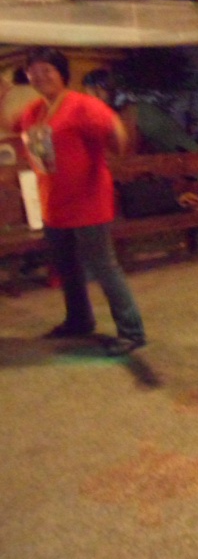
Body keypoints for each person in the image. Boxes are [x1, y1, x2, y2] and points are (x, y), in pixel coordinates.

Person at [14, 48, 147, 356]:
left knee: (104, 268)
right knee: (68, 268)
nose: (40, 76)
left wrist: (117, 148)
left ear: (62, 73)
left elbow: (116, 131)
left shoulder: (82, 105)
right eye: (34, 72)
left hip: (88, 201)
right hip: (53, 202)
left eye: (47, 70)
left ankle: (132, 331)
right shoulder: (33, 111)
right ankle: (79, 320)